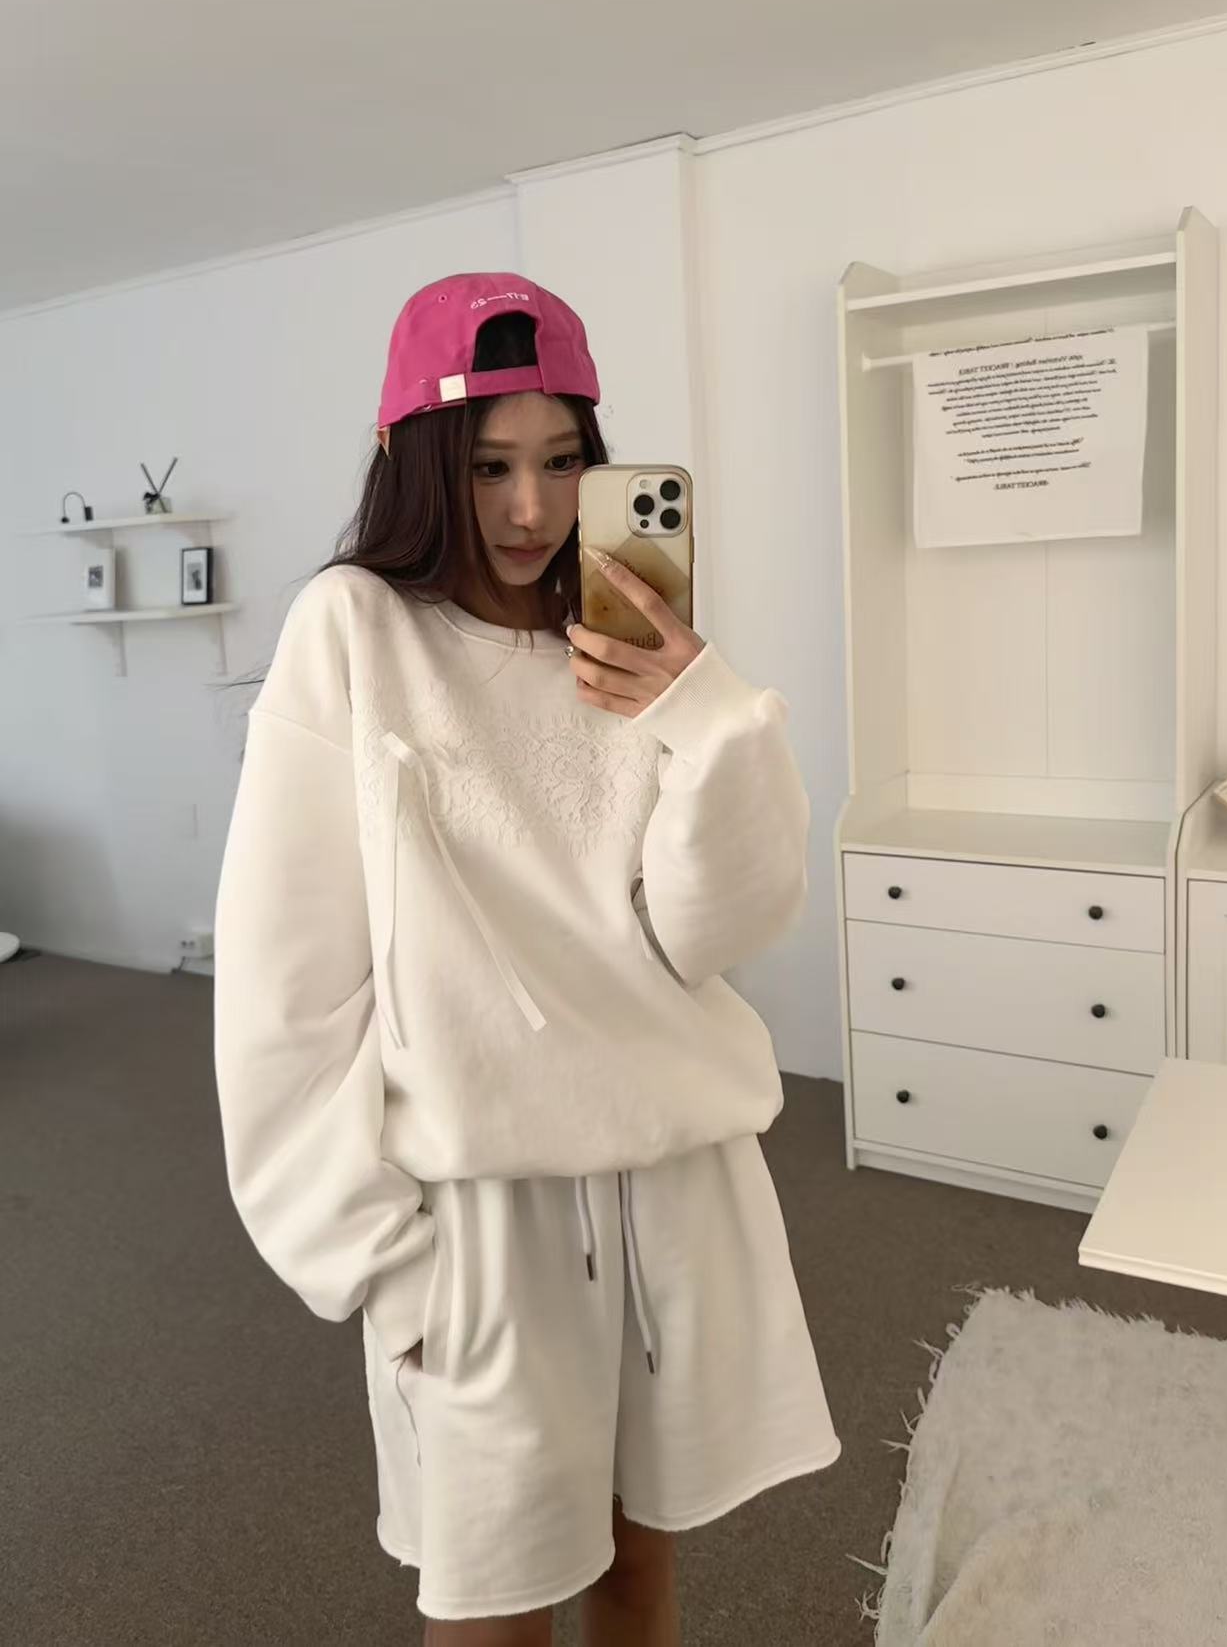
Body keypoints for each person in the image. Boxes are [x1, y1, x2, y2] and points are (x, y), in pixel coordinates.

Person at [212, 271, 840, 1646]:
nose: (532, 508)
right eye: (491, 464)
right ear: (414, 459)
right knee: (492, 1609)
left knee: (636, 1575)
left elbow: (710, 933)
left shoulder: (620, 641)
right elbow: (285, 982)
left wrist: (709, 715)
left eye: (564, 462)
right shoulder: (352, 630)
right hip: (478, 1227)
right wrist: (373, 1258)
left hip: (676, 1192)